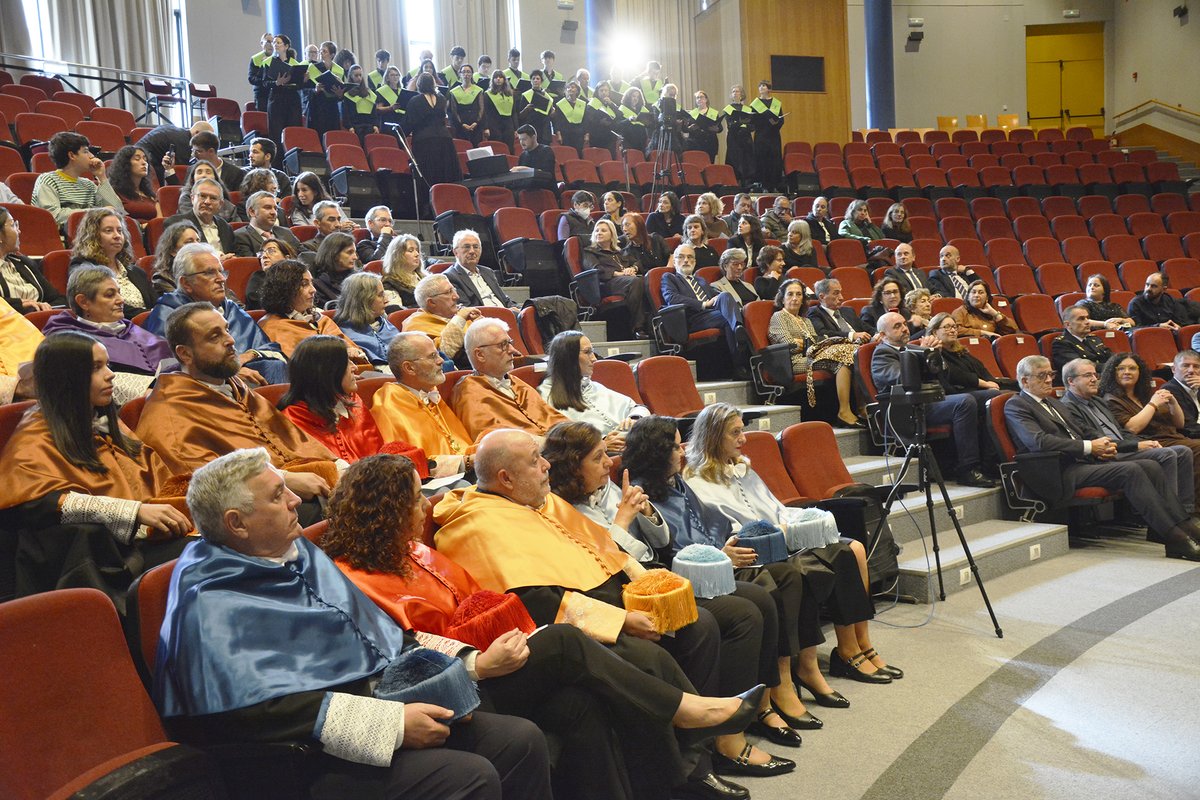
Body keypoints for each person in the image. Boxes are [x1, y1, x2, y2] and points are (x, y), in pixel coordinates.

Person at [325, 452, 766, 800]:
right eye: (416, 497)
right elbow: (404, 652)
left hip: (494, 658)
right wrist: (478, 662)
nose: (426, 506)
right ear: (385, 510)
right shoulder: (354, 577)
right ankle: (690, 712)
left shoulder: (414, 553)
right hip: (450, 684)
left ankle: (663, 780)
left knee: (579, 704)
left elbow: (488, 602)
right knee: (564, 641)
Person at [155, 448, 555, 800]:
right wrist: (393, 725)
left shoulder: (296, 554)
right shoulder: (209, 601)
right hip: (309, 757)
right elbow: (252, 714)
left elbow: (380, 637)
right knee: (470, 776)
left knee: (519, 740)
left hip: (380, 701)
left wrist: (452, 678)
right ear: (237, 523)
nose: (297, 500)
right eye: (278, 496)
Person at [543, 422, 799, 779]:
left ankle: (752, 710)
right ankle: (723, 736)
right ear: (572, 465)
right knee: (736, 614)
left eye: (606, 453)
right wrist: (623, 519)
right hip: (626, 593)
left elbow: (658, 542)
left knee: (758, 597)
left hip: (651, 575)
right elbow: (602, 564)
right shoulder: (561, 510)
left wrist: (645, 514)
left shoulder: (607, 489)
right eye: (598, 457)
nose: (608, 463)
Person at [624, 414, 867, 724]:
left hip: (724, 553)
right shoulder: (642, 494)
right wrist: (721, 553)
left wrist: (728, 544)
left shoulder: (678, 482)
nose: (681, 452)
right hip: (699, 575)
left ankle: (794, 675)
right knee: (771, 588)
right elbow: (668, 551)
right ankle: (766, 697)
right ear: (656, 452)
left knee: (794, 575)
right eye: (674, 447)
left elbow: (712, 523)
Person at [681, 404, 901, 687]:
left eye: (742, 431)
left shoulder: (742, 468)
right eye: (735, 433)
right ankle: (829, 659)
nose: (743, 439)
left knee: (850, 550)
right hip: (757, 549)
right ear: (713, 437)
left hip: (783, 535)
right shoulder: (696, 481)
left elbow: (776, 508)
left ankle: (856, 647)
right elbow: (723, 529)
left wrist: (804, 522)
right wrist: (781, 532)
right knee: (817, 565)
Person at [0, 331, 190, 606]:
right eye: (96, 368)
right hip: (107, 559)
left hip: (141, 539)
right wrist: (134, 512)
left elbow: (156, 477)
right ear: (65, 379)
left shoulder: (106, 423)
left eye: (108, 364)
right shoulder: (35, 435)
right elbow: (39, 502)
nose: (111, 374)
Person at [138, 304, 335, 514]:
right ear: (185, 354)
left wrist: (338, 466)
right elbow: (202, 482)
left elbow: (292, 441)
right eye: (215, 336)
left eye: (227, 330)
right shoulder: (168, 412)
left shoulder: (236, 387)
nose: (231, 340)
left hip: (285, 483)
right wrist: (282, 479)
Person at [1005, 354, 1200, 561]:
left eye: (1050, 374)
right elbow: (1039, 442)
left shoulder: (1053, 403)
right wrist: (1090, 447)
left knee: (1150, 465)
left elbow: (1083, 430)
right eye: (1042, 376)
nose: (1048, 380)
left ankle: (1185, 525)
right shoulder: (1017, 405)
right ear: (1025, 380)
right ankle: (1174, 537)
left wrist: (1103, 443)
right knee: (1130, 470)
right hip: (1057, 469)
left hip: (1081, 463)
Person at [872, 312, 996, 487]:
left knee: (994, 398)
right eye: (897, 326)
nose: (904, 328)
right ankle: (967, 469)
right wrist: (924, 355)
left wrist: (935, 355)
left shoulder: (910, 348)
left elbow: (943, 376)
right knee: (965, 402)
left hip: (933, 398)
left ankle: (991, 462)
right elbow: (906, 380)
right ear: (883, 335)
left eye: (904, 324)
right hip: (910, 408)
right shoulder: (882, 354)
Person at [1060, 357, 1197, 507]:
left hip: (1126, 445)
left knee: (1183, 452)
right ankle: (1171, 511)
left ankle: (1186, 508)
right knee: (1167, 454)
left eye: (1095, 375)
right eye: (1087, 376)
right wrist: (1137, 446)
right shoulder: (1068, 407)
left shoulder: (1097, 401)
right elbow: (1095, 437)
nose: (1094, 379)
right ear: (1071, 381)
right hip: (1109, 452)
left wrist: (1140, 442)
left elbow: (1120, 431)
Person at [146, 243, 286, 384]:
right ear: (186, 283)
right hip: (204, 389)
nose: (222, 279)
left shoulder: (230, 309)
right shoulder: (167, 314)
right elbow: (165, 369)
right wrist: (228, 374)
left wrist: (250, 355)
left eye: (221, 271)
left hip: (250, 376)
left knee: (276, 366)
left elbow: (269, 348)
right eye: (209, 273)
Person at [277, 336, 419, 466]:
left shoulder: (353, 402)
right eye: (347, 363)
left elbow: (378, 456)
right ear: (328, 372)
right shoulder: (293, 419)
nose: (355, 367)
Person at [370, 333, 474, 477]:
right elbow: (406, 464)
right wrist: (466, 462)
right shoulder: (388, 404)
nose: (441, 361)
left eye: (437, 354)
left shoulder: (430, 392)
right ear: (409, 368)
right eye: (432, 357)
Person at [43, 265, 171, 378]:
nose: (121, 300)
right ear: (83, 302)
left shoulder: (129, 328)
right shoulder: (68, 341)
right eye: (110, 295)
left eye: (119, 293)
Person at [453, 318, 567, 440]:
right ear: (480, 355)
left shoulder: (516, 382)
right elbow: (497, 442)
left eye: (510, 343)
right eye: (503, 345)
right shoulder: (469, 392)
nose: (513, 350)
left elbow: (554, 418)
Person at [770, 278, 861, 424]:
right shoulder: (779, 316)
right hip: (793, 361)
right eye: (790, 294)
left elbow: (815, 341)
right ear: (782, 298)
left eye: (799, 295)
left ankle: (853, 409)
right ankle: (845, 410)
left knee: (849, 357)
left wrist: (806, 343)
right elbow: (787, 343)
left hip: (812, 356)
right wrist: (803, 343)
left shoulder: (804, 320)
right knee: (842, 358)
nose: (795, 298)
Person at [538, 331, 649, 448]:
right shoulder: (547, 394)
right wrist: (601, 445)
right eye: (587, 352)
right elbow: (558, 441)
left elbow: (638, 407)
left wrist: (635, 418)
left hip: (629, 441)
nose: (594, 358)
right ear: (568, 357)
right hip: (600, 453)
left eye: (592, 351)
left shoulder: (593, 386)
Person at [256, 259, 368, 364]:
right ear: (285, 289)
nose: (313, 290)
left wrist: (353, 352)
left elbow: (357, 353)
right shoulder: (271, 326)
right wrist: (340, 355)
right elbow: (299, 367)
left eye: (311, 283)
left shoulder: (321, 319)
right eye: (304, 284)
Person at [1101, 352, 1200, 471]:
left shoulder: (1144, 395)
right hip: (1151, 442)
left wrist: (1173, 403)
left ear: (1139, 372)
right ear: (1113, 372)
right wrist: (1153, 404)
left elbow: (1179, 424)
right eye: (1121, 368)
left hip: (1173, 437)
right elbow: (1132, 428)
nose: (1127, 372)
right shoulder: (1111, 399)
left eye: (1132, 368)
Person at [661, 243, 743, 369]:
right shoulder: (670, 278)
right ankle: (739, 362)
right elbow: (672, 298)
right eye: (681, 257)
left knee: (725, 297)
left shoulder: (700, 280)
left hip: (711, 315)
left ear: (694, 261)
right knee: (728, 319)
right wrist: (704, 304)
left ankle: (738, 328)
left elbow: (717, 295)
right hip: (691, 318)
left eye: (689, 257)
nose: (686, 260)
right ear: (675, 261)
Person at [68, 207, 155, 318]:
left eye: (119, 231)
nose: (117, 236)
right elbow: (106, 306)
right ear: (93, 236)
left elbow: (155, 303)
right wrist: (149, 315)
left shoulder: (136, 272)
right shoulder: (83, 268)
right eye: (108, 231)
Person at [32, 131, 123, 225]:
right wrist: (96, 212)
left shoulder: (89, 185)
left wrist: (102, 177)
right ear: (72, 155)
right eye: (86, 151)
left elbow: (118, 212)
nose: (91, 156)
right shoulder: (48, 180)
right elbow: (53, 216)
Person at [583, 218, 648, 336]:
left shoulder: (619, 252)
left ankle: (645, 325)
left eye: (603, 230)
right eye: (597, 231)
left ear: (612, 234)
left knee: (644, 280)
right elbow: (595, 270)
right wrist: (619, 273)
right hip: (605, 285)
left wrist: (632, 269)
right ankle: (638, 327)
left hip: (625, 282)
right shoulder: (590, 252)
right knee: (635, 282)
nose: (599, 233)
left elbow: (637, 263)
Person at [405, 71, 463, 197]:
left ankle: (428, 203)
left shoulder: (415, 101)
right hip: (444, 139)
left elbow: (410, 122)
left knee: (428, 174)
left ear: (419, 84)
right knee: (445, 173)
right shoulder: (442, 99)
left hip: (424, 140)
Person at [402, 273, 480, 365]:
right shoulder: (414, 325)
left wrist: (479, 322)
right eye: (448, 292)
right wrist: (460, 318)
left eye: (454, 290)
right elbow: (443, 354)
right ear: (431, 302)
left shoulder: (462, 314)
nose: (456, 297)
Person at [0, 206, 66, 313]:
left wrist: (43, 308)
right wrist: (20, 306)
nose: (19, 231)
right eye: (13, 225)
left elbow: (59, 299)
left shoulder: (23, 263)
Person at [334, 271, 400, 367]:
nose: (386, 300)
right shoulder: (345, 336)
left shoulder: (384, 323)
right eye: (380, 295)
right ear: (364, 300)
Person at [443, 229, 516, 309]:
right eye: (467, 247)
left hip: (506, 313)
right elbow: (466, 308)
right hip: (483, 318)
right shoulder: (449, 277)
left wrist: (514, 309)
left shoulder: (488, 271)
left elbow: (504, 299)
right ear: (455, 252)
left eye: (476, 247)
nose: (472, 251)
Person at [164, 177, 236, 255]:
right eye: (202, 196)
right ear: (192, 198)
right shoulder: (176, 224)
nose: (207, 202)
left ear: (220, 204)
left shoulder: (225, 227)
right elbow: (175, 258)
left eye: (213, 198)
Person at [232, 190, 303, 259]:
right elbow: (251, 265)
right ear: (252, 212)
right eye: (268, 208)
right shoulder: (241, 236)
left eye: (275, 209)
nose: (274, 212)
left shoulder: (286, 232)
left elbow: (304, 253)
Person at [265, 34, 307, 146]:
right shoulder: (268, 62)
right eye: (274, 42)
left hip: (292, 101)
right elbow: (264, 83)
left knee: (293, 133)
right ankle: (278, 162)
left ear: (286, 46)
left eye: (278, 42)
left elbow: (299, 86)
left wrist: (304, 80)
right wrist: (277, 83)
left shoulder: (295, 64)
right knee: (276, 134)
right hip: (276, 100)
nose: (275, 45)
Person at [1052, 306, 1114, 378]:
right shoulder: (1061, 343)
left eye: (1087, 318)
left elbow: (1109, 355)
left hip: (1104, 376)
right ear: (1068, 324)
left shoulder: (1093, 338)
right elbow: (1080, 367)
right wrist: (1111, 367)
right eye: (1081, 319)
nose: (1087, 322)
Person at [808, 278, 876, 342]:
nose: (841, 298)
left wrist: (878, 334)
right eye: (836, 293)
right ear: (822, 297)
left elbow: (867, 328)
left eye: (840, 293)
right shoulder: (815, 312)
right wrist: (851, 335)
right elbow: (823, 334)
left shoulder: (848, 311)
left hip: (861, 345)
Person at [305, 41, 346, 140]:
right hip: (318, 107)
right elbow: (306, 90)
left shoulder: (339, 70)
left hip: (332, 108)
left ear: (332, 55)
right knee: (318, 136)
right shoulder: (313, 67)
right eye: (321, 51)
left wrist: (340, 94)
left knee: (332, 137)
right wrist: (315, 90)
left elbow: (343, 92)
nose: (321, 53)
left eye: (324, 51)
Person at [107, 145, 159, 221]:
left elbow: (160, 221)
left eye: (145, 159)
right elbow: (120, 218)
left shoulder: (150, 195)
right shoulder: (115, 192)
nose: (144, 162)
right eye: (137, 159)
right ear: (125, 164)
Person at [950, 280, 1017, 339]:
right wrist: (982, 333)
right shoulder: (960, 311)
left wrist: (995, 313)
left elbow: (1012, 330)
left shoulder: (991, 312)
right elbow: (956, 330)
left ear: (987, 297)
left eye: (981, 292)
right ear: (968, 297)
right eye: (973, 292)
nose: (976, 295)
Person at [149, 221, 202, 294]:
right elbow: (182, 302)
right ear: (173, 251)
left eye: (198, 241)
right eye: (189, 242)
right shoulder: (162, 279)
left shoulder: (210, 269)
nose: (197, 245)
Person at [1129, 271, 1196, 329]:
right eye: (1147, 285)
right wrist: (1158, 326)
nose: (1148, 289)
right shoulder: (1136, 304)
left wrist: (1177, 326)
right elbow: (1135, 329)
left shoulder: (1169, 300)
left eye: (1154, 286)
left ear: (1164, 289)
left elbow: (1180, 322)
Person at [189, 130, 246, 197]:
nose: (194, 155)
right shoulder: (191, 170)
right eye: (193, 151)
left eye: (198, 151)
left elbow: (237, 199)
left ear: (211, 151)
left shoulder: (235, 173)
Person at [245, 237, 296, 311]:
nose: (264, 256)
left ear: (287, 258)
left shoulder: (297, 277)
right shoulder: (259, 277)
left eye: (271, 251)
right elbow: (258, 302)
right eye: (262, 253)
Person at [750, 81, 784, 191]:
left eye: (763, 86)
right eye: (759, 86)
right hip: (761, 135)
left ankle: (774, 185)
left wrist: (776, 123)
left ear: (769, 89)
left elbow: (781, 119)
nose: (761, 87)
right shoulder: (755, 104)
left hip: (773, 135)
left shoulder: (776, 103)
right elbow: (752, 120)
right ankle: (763, 184)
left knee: (774, 159)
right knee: (762, 159)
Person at [860, 278, 927, 333]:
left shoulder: (905, 312)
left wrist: (918, 325)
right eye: (888, 293)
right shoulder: (869, 312)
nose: (893, 296)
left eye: (895, 292)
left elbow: (911, 336)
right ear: (880, 297)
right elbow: (868, 333)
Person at [310, 231, 360, 305]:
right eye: (349, 252)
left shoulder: (357, 276)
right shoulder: (317, 284)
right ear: (334, 253)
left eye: (355, 252)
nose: (355, 257)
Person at [381, 233, 427, 309]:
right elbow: (397, 312)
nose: (417, 254)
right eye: (411, 250)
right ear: (397, 255)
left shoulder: (426, 278)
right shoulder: (389, 283)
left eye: (417, 250)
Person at [722, 85, 754, 186]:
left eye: (737, 91)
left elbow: (752, 125)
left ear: (742, 94)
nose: (735, 93)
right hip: (734, 137)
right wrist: (742, 123)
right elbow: (730, 124)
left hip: (745, 136)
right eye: (733, 91)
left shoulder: (747, 108)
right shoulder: (728, 108)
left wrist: (744, 124)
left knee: (746, 158)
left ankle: (746, 182)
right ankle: (735, 181)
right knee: (734, 158)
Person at [448, 64, 485, 145]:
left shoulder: (478, 90)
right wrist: (462, 124)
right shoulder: (454, 92)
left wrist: (476, 122)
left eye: (468, 72)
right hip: (460, 127)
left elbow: (481, 108)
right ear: (460, 74)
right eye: (463, 72)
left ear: (472, 74)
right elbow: (454, 110)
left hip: (476, 126)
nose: (466, 74)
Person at [341, 64, 380, 140]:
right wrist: (350, 127)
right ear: (351, 76)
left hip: (369, 127)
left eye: (360, 75)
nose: (359, 78)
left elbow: (374, 113)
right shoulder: (347, 94)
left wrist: (376, 125)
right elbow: (346, 114)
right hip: (355, 128)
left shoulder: (369, 93)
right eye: (356, 75)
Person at [514, 124, 557, 192]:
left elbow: (547, 175)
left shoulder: (546, 151)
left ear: (533, 137)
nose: (522, 142)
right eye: (520, 140)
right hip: (529, 190)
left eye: (524, 139)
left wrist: (523, 169)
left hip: (546, 191)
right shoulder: (523, 155)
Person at [1163, 350, 1200, 429]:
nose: (1191, 370)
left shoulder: (1198, 386)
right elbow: (1188, 427)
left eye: (1196, 366)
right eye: (1186, 366)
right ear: (1173, 369)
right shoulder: (1169, 389)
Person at [481, 70, 517, 148]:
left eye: (500, 77)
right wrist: (486, 127)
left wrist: (515, 128)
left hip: (508, 124)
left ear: (504, 79)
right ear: (492, 80)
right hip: (494, 124)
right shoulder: (488, 94)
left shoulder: (510, 94)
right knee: (497, 147)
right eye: (496, 77)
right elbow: (485, 112)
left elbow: (514, 112)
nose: (498, 79)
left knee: (509, 146)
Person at [517, 70, 554, 144]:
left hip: (544, 129)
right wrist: (526, 109)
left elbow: (551, 115)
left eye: (538, 78)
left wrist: (553, 111)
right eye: (533, 79)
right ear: (530, 81)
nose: (535, 80)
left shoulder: (547, 97)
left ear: (541, 81)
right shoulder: (526, 95)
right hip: (532, 127)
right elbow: (520, 116)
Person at [683, 90, 721, 163]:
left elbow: (720, 128)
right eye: (697, 98)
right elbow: (685, 129)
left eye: (701, 97)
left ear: (706, 99)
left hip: (710, 142)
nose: (699, 99)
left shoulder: (713, 112)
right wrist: (690, 128)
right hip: (695, 143)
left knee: (709, 163)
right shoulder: (692, 113)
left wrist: (716, 129)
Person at [584, 80, 620, 158]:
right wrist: (600, 122)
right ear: (597, 92)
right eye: (601, 90)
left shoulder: (611, 103)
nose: (604, 92)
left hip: (610, 137)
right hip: (597, 136)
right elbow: (589, 120)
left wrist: (611, 104)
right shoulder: (592, 103)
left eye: (606, 90)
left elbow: (619, 115)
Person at [552, 81, 588, 156]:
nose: (570, 89)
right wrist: (558, 134)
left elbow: (586, 120)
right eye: (568, 87)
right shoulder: (560, 104)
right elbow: (557, 121)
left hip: (579, 134)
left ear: (577, 90)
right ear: (565, 91)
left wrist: (586, 134)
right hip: (565, 133)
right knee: (567, 154)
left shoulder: (582, 104)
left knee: (578, 154)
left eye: (572, 87)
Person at [615, 86, 652, 155]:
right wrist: (628, 120)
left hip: (641, 142)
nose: (636, 99)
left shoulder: (643, 110)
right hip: (628, 141)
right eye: (633, 96)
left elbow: (649, 125)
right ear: (628, 97)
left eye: (638, 97)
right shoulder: (622, 109)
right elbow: (618, 125)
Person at [247, 32, 275, 113]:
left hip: (275, 95)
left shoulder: (277, 58)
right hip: (262, 95)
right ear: (262, 43)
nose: (271, 45)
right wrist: (264, 81)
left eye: (273, 42)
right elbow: (251, 78)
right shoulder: (255, 59)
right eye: (268, 42)